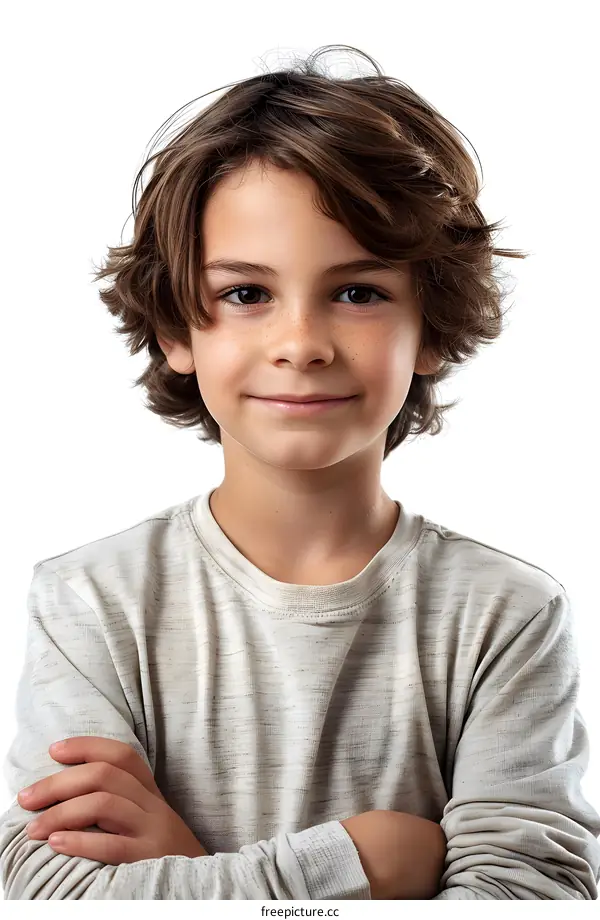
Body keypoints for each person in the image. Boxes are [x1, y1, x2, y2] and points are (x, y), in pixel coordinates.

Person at [1, 44, 599, 900]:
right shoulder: (89, 601)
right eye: (247, 294)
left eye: (357, 292)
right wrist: (368, 858)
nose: (302, 344)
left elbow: (527, 897)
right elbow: (48, 894)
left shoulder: (505, 616)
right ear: (177, 326)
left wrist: (195, 875)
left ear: (430, 328)